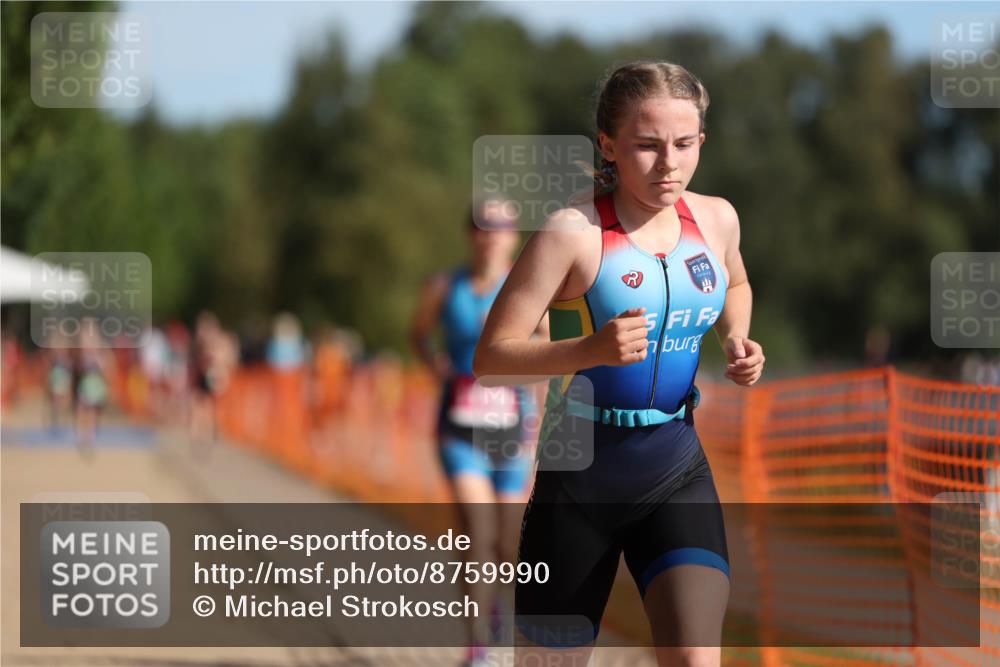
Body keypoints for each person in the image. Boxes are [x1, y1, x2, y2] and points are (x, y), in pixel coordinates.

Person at [473, 61, 765, 667]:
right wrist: (589, 351)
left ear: (701, 141)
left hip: (676, 467)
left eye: (684, 145)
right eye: (647, 146)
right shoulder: (571, 233)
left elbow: (735, 283)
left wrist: (737, 338)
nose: (669, 164)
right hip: (578, 477)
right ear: (608, 145)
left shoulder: (716, 219)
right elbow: (491, 359)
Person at [409, 200, 549, 666]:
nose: (491, 234)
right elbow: (418, 333)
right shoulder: (444, 287)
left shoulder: (526, 288)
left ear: (513, 235)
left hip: (512, 429)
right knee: (477, 532)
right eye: (482, 226)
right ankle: (478, 645)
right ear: (470, 234)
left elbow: (549, 351)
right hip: (460, 428)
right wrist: (438, 367)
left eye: (501, 226)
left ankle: (495, 611)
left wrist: (541, 422)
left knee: (508, 544)